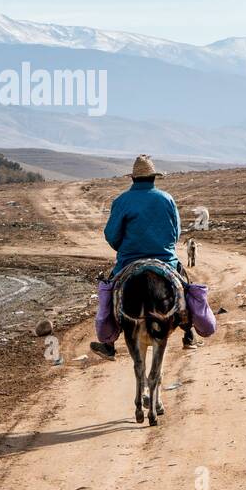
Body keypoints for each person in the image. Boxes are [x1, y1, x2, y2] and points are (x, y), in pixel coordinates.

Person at [90, 154, 191, 359]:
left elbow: (111, 235)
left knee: (109, 290)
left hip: (129, 261)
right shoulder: (167, 199)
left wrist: (124, 247)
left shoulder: (122, 201)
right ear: (154, 178)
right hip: (165, 259)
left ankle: (109, 343)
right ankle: (189, 332)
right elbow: (176, 232)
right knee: (186, 284)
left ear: (133, 179)